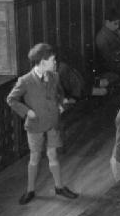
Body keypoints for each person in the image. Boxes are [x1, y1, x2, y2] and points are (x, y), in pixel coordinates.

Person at [6, 42, 79, 204]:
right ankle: (30, 190)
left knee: (53, 155)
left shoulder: (55, 76)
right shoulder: (25, 81)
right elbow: (11, 99)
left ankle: (59, 187)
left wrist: (60, 105)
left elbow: (58, 94)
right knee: (35, 157)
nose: (55, 63)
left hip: (53, 123)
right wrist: (27, 112)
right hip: (35, 125)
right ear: (42, 62)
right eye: (53, 60)